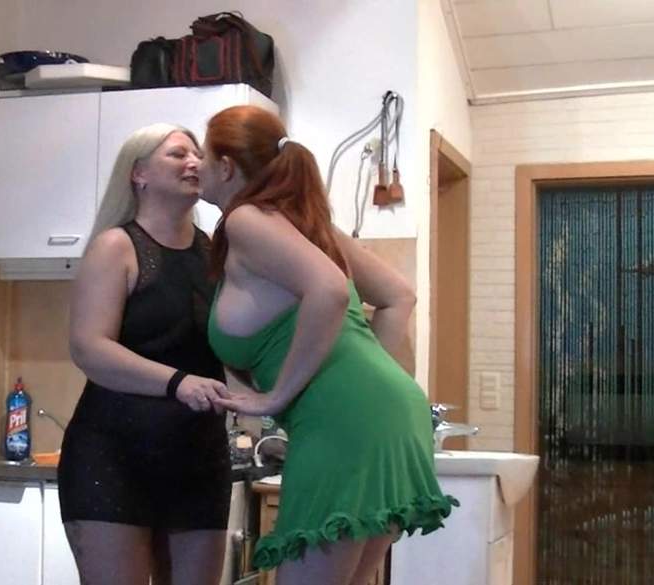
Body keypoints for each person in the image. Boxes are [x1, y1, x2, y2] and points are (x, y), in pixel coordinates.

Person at [198, 105, 459, 585]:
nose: (197, 165)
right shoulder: (306, 222)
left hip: (342, 423)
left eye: (204, 155)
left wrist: (277, 397)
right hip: (395, 411)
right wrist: (367, 384)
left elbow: (331, 289)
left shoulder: (245, 220)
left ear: (227, 167)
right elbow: (399, 295)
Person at [58, 123, 231, 585]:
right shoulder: (116, 246)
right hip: (114, 455)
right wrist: (178, 383)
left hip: (199, 457)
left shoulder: (214, 252)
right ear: (138, 174)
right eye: (178, 154)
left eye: (197, 155)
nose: (194, 162)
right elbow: (90, 348)